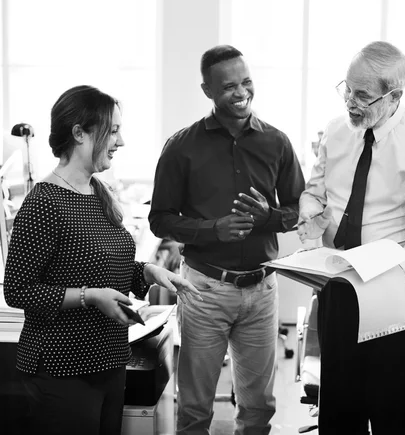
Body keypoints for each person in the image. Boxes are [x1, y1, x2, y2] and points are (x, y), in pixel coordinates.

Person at [3, 85, 202, 435]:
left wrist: (150, 272)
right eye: (112, 131)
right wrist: (89, 296)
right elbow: (18, 291)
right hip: (63, 370)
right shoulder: (44, 204)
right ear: (79, 133)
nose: (121, 141)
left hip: (108, 361)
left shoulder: (96, 192)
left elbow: (103, 265)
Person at [148, 44, 305, 435]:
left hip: (262, 290)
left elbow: (299, 211)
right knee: (195, 410)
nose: (241, 93)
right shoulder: (181, 146)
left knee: (259, 409)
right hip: (204, 290)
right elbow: (159, 219)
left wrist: (269, 217)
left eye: (247, 82)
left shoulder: (277, 143)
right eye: (229, 86)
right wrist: (211, 229)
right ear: (207, 91)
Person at [298, 40, 405, 434]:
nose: (349, 101)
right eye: (347, 89)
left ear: (394, 96)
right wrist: (311, 218)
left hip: (398, 288)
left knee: (393, 407)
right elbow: (316, 193)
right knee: (339, 405)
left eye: (362, 95)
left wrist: (381, 266)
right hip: (340, 282)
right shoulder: (337, 131)